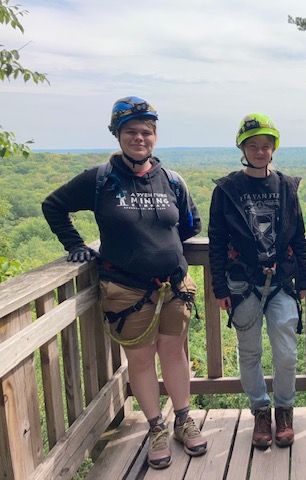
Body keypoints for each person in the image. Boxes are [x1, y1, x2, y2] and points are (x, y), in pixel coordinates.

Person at [42, 96, 207, 469]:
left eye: (146, 131)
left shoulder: (171, 180)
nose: (139, 137)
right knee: (141, 358)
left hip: (174, 285)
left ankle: (183, 420)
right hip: (126, 289)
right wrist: (74, 245)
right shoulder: (100, 180)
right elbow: (53, 206)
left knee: (174, 353)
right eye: (131, 131)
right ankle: (156, 428)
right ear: (117, 134)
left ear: (155, 135)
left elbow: (189, 225)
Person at [208, 113, 306, 449]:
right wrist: (219, 287)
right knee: (249, 351)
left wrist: (304, 278)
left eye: (266, 145)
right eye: (253, 146)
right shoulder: (227, 190)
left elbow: (298, 234)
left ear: (274, 148)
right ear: (243, 148)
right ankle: (260, 413)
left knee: (286, 353)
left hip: (281, 281)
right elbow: (217, 239)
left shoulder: (285, 186)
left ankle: (284, 410)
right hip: (241, 285)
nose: (260, 151)